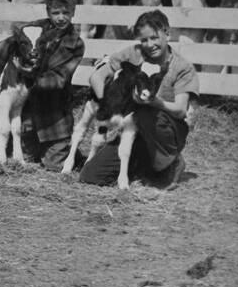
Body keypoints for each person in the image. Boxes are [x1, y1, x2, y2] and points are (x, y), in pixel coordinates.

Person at [79, 10, 197, 189]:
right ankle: (141, 162)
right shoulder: (134, 54)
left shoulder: (182, 68)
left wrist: (154, 102)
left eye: (154, 38)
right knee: (91, 175)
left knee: (143, 113)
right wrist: (106, 104)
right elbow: (96, 77)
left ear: (167, 34)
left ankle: (172, 161)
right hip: (132, 127)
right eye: (144, 40)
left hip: (164, 128)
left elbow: (181, 110)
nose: (149, 45)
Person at [0, 0, 85, 171]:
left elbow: (57, 80)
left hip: (53, 111)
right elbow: (3, 46)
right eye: (55, 12)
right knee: (20, 158)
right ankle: (38, 144)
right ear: (48, 12)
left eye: (66, 12)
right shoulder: (35, 29)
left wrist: (27, 74)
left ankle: (71, 151)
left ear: (73, 12)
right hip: (28, 109)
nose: (61, 17)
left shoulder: (75, 44)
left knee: (53, 165)